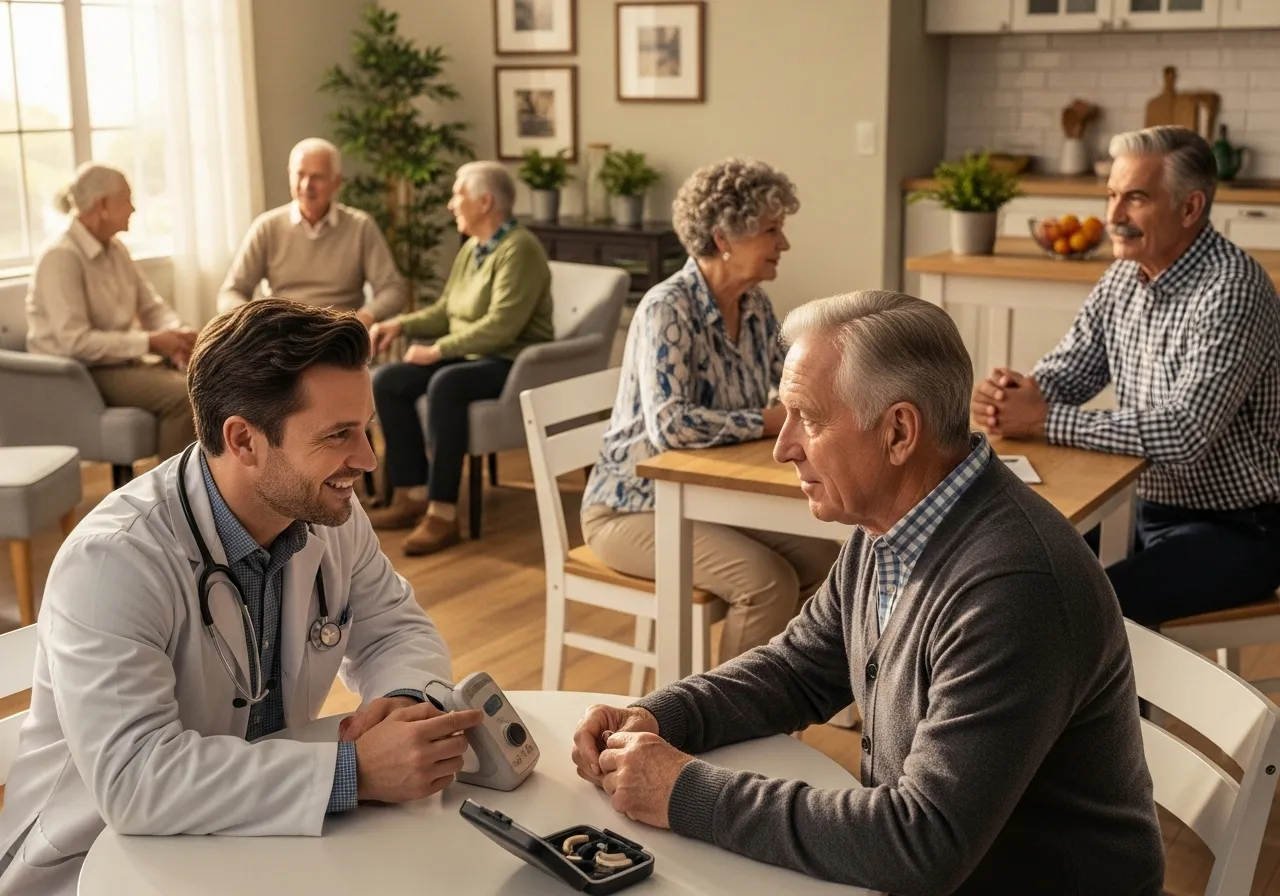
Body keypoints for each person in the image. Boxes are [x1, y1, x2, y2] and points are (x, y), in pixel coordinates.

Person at [570, 291, 1164, 895]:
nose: (785, 446)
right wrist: (660, 715)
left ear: (899, 432)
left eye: (809, 416)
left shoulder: (1013, 589)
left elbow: (921, 842)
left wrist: (683, 792)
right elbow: (797, 670)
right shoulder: (890, 526)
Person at [0, 299, 482, 896]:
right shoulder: (112, 563)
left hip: (257, 836)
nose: (367, 459)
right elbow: (136, 782)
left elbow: (395, 630)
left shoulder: (329, 511)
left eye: (367, 428)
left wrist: (402, 700)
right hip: (102, 862)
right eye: (339, 435)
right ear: (244, 440)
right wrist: (352, 772)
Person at [971, 125, 1280, 627]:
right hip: (1137, 508)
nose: (1113, 216)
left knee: (1096, 611)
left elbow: (1184, 434)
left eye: (1135, 198)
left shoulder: (1232, 290)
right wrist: (1015, 396)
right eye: (1112, 195)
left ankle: (1117, 709)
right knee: (1018, 566)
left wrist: (1044, 420)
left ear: (1190, 207)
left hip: (1240, 529)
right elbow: (1070, 367)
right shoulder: (1124, 276)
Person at [580, 158, 839, 664]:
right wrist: (768, 421)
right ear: (724, 238)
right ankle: (734, 729)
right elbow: (671, 425)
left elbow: (794, 389)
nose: (783, 244)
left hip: (708, 497)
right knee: (766, 583)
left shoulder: (756, 307)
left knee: (828, 558)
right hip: (631, 506)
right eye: (771, 230)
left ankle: (799, 707)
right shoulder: (667, 308)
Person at [365, 160, 554, 555]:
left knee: (445, 383)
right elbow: (446, 309)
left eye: (458, 195)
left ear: (484, 202)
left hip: (511, 361)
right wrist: (400, 324)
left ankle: (443, 513)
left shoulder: (520, 250)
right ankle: (411, 493)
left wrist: (438, 350)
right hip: (469, 353)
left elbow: (502, 326)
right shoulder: (473, 249)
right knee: (387, 380)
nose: (452, 204)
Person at [25, 162, 199, 460]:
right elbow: (75, 343)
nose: (133, 208)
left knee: (205, 377)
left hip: (118, 361)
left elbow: (151, 306)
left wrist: (180, 335)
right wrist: (152, 342)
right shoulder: (61, 257)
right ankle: (174, 499)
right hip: (79, 373)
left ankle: (208, 489)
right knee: (182, 397)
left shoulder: (116, 249)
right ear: (102, 205)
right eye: (127, 198)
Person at [217, 138, 406, 326]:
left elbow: (393, 290)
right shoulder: (266, 227)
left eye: (317, 177)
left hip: (340, 336)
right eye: (300, 174)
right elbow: (230, 293)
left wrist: (365, 317)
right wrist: (253, 321)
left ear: (337, 182)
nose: (307, 185)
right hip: (283, 336)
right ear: (289, 175)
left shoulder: (361, 226)